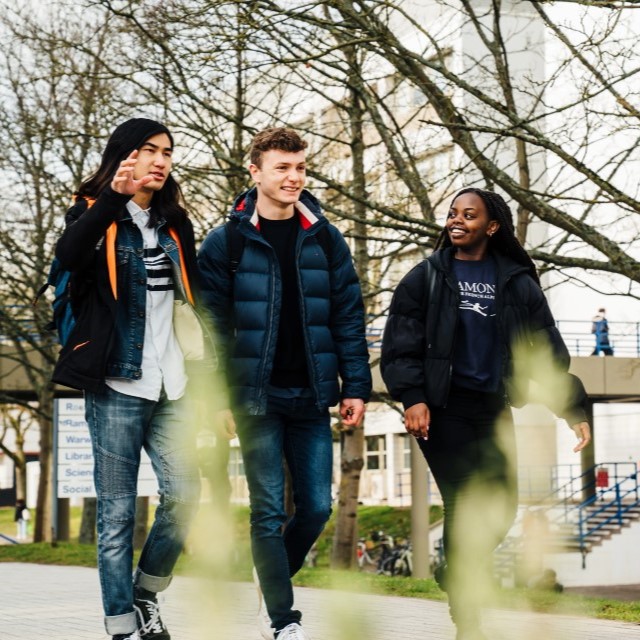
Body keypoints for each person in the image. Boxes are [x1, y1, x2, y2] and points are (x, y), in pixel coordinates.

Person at [380, 187, 591, 640]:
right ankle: (469, 618)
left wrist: (571, 407)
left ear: (491, 226)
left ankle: (455, 569)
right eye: (452, 213)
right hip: (442, 407)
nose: (456, 220)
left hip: (492, 405)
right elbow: (399, 345)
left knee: (503, 505)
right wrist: (413, 396)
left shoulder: (516, 283)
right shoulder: (426, 277)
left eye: (468, 215)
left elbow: (546, 354)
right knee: (464, 502)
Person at [198, 127, 372, 640]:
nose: (294, 177)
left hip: (313, 395)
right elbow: (210, 331)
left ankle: (268, 574)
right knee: (268, 512)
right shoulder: (226, 241)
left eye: (300, 167)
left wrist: (356, 386)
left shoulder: (325, 236)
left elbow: (347, 315)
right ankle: (284, 620)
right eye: (282, 167)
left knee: (316, 506)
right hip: (255, 399)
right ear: (255, 172)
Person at [52, 118, 207, 640]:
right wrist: (111, 203)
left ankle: (146, 593)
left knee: (186, 494)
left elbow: (193, 299)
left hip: (173, 386)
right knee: (116, 517)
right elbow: (68, 257)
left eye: (167, 152)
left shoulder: (175, 223)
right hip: (117, 385)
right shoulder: (92, 213)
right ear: (124, 156)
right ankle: (122, 626)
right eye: (149, 150)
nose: (161, 160)